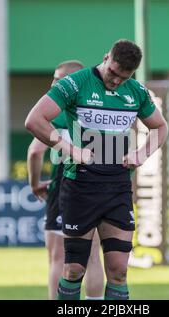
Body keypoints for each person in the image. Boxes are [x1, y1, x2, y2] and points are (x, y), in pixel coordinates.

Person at [25, 39, 169, 300]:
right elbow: (34, 120)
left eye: (122, 78)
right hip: (80, 186)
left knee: (119, 271)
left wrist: (142, 153)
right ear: (105, 58)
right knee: (73, 269)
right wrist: (70, 149)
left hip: (117, 186)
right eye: (112, 73)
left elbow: (161, 127)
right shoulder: (76, 83)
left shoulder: (136, 91)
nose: (114, 81)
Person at [27, 60, 104, 300]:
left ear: (72, 81)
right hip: (98, 183)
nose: (53, 84)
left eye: (58, 79)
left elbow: (35, 151)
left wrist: (34, 183)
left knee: (59, 258)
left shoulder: (59, 111)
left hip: (65, 182)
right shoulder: (98, 107)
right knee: (93, 256)